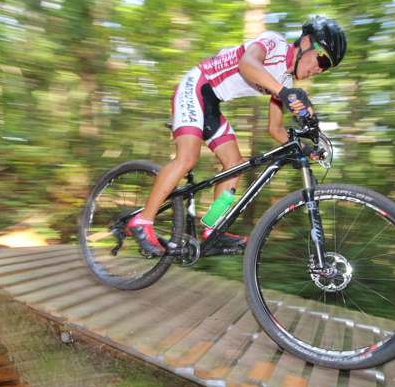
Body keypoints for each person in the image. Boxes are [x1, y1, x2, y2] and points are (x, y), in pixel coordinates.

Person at [126, 16, 347, 256]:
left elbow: (276, 129)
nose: (319, 69)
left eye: (326, 67)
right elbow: (247, 64)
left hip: (211, 104)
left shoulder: (284, 80)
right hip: (196, 85)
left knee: (235, 165)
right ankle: (142, 222)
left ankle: (213, 228)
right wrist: (285, 93)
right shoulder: (274, 43)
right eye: (322, 59)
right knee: (188, 158)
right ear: (305, 42)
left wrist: (306, 150)